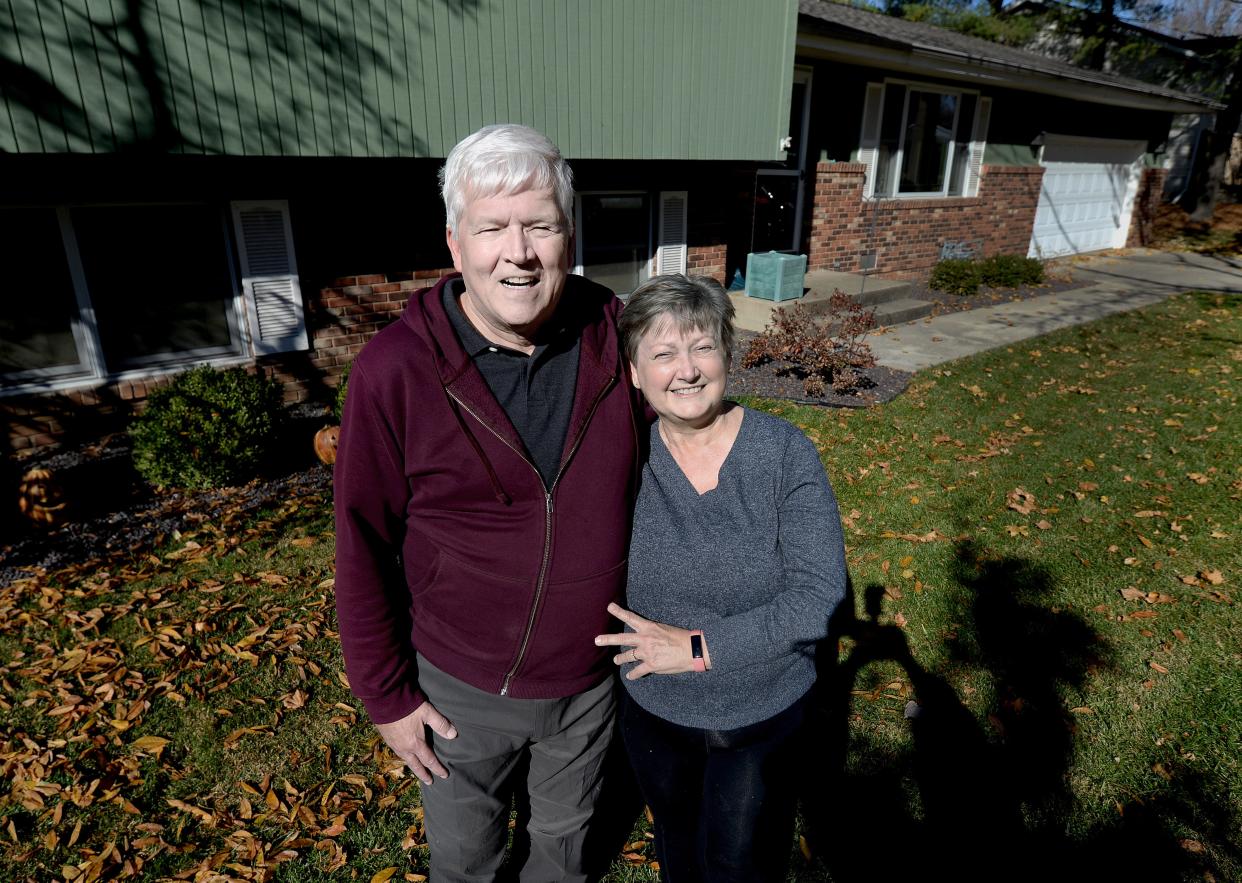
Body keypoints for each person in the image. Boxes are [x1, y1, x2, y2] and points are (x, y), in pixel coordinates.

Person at [334, 123, 642, 882]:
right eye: (492, 228)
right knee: (468, 858)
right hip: (460, 685)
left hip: (588, 680)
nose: (519, 251)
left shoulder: (619, 337)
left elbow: (689, 453)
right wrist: (386, 696)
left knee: (565, 850)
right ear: (454, 240)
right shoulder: (395, 370)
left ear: (568, 235)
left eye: (540, 224)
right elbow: (361, 541)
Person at [595, 274, 847, 883]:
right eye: (662, 353)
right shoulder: (624, 458)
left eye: (701, 347)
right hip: (656, 707)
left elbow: (819, 596)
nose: (685, 370)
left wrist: (702, 649)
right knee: (680, 855)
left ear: (727, 355)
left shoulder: (783, 452)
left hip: (761, 711)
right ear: (634, 373)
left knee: (740, 866)